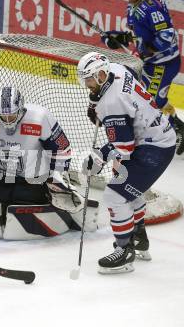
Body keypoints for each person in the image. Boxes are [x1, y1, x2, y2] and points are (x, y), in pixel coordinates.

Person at [0, 86, 98, 240]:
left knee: (22, 196)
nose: (7, 121)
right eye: (3, 116)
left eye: (12, 116)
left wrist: (55, 178)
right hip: (2, 173)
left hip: (34, 177)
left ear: (21, 110)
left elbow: (62, 149)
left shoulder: (40, 118)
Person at [77, 52, 176, 274]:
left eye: (90, 79)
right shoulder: (117, 69)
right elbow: (131, 75)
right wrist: (95, 101)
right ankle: (139, 237)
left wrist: (99, 157)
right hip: (155, 135)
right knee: (126, 186)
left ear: (102, 74)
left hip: (154, 148)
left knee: (115, 194)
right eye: (85, 80)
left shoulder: (112, 104)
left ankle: (125, 250)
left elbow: (124, 147)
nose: (87, 84)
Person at [101, 0, 183, 155]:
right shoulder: (133, 6)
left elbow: (168, 34)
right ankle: (177, 126)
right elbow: (140, 34)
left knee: (151, 104)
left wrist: (147, 51)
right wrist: (122, 39)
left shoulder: (150, 7)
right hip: (152, 64)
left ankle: (171, 134)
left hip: (162, 65)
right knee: (149, 99)